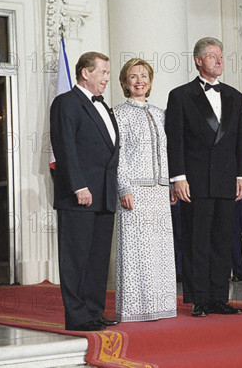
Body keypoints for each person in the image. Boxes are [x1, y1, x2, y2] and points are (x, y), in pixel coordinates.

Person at [165, 37, 242, 317]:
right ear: (199, 60)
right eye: (212, 56)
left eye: (221, 56)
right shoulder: (181, 95)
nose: (219, 60)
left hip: (226, 179)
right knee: (197, 240)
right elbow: (174, 140)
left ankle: (218, 298)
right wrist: (178, 177)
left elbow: (241, 141)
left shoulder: (236, 97)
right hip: (195, 181)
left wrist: (241, 176)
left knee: (224, 240)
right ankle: (199, 298)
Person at [50, 51, 119, 331]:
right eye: (102, 72)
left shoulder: (105, 106)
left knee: (97, 259)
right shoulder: (66, 102)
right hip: (79, 194)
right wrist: (79, 185)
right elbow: (65, 146)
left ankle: (93, 311)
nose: (106, 78)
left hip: (104, 194)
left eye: (106, 72)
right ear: (84, 73)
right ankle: (77, 316)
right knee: (76, 258)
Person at [113, 58, 177, 322]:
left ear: (150, 81)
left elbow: (167, 151)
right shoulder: (118, 113)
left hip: (160, 190)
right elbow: (117, 155)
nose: (139, 81)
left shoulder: (161, 113)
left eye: (144, 76)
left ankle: (160, 305)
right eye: (133, 77)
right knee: (135, 250)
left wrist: (171, 182)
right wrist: (123, 187)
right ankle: (134, 308)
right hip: (134, 191)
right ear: (125, 82)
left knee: (159, 249)